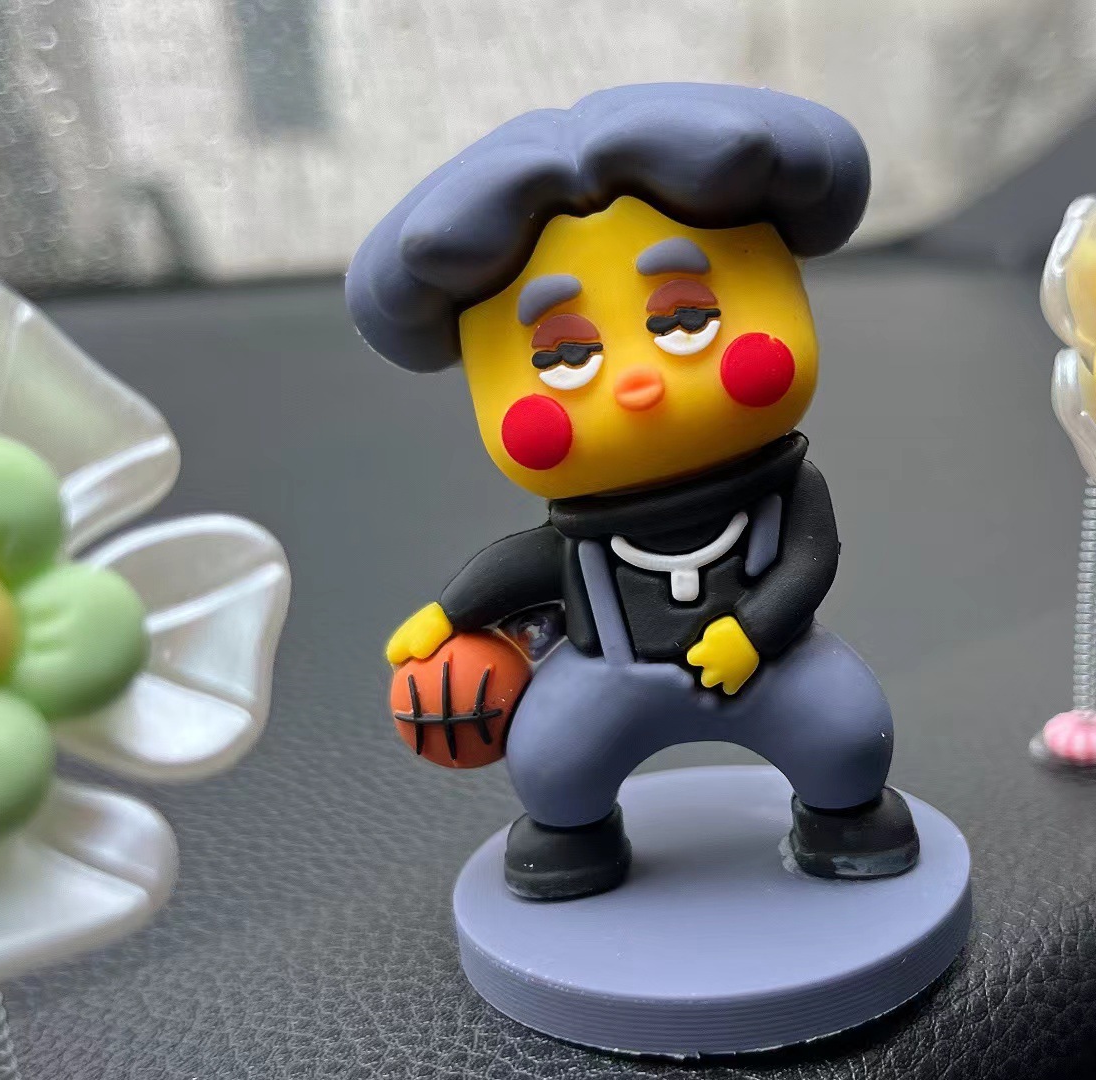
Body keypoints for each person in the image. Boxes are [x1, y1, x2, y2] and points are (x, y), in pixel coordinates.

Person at [348, 83, 917, 900]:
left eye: (686, 319)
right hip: (608, 676)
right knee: (553, 762)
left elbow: (808, 561)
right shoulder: (582, 533)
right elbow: (528, 564)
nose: (638, 382)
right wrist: (450, 613)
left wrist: (754, 632)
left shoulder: (792, 490)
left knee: (847, 734)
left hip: (771, 664)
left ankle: (845, 825)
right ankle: (570, 843)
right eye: (562, 355)